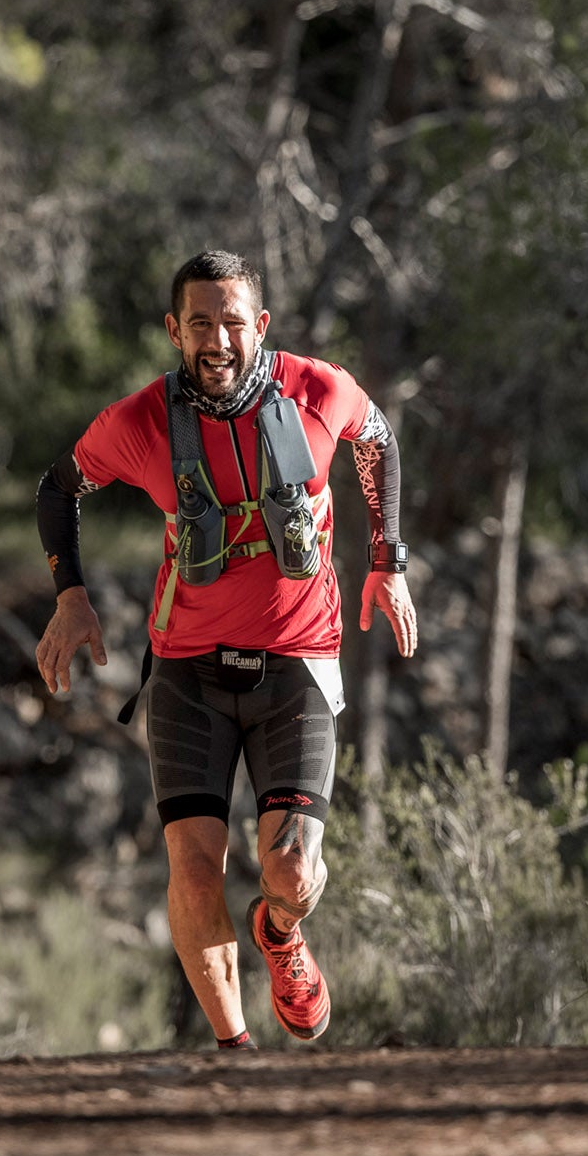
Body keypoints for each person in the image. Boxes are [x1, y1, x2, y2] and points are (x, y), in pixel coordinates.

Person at [34, 249, 417, 1049]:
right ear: (174, 330)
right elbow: (57, 487)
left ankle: (280, 933)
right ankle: (234, 1054)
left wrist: (390, 562)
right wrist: (71, 594)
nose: (218, 340)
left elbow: (376, 439)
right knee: (193, 866)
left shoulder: (318, 389)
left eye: (233, 322)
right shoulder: (139, 422)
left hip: (298, 664)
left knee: (291, 874)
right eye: (200, 323)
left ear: (261, 326)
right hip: (187, 673)